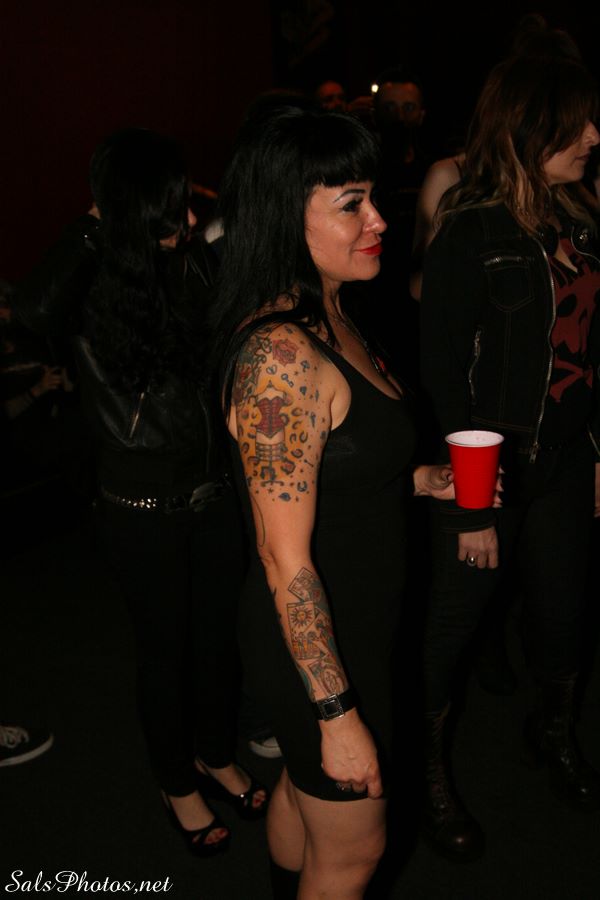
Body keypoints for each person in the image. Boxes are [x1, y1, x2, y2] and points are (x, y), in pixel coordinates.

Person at [210, 107, 458, 898]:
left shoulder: (327, 310)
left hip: (355, 622)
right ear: (288, 216)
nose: (379, 219)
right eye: (351, 203)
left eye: (373, 197)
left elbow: (333, 468)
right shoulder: (280, 356)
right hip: (319, 648)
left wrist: (417, 479)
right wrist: (338, 713)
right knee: (351, 854)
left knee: (301, 797)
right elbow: (283, 558)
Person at [13, 128, 267, 857]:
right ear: (128, 212)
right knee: (166, 652)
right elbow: (31, 313)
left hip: (213, 493)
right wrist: (95, 224)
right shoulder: (90, 279)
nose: (184, 218)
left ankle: (213, 753)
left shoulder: (188, 265)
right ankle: (175, 781)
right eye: (167, 207)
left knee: (218, 641)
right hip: (140, 509)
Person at [420, 54, 600, 861]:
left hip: (565, 462)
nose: (594, 136)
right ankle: (425, 771)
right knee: (450, 633)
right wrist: (472, 505)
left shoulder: (583, 222)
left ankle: (551, 732)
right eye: (577, 123)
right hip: (487, 474)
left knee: (564, 619)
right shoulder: (472, 227)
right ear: (532, 129)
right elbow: (441, 378)